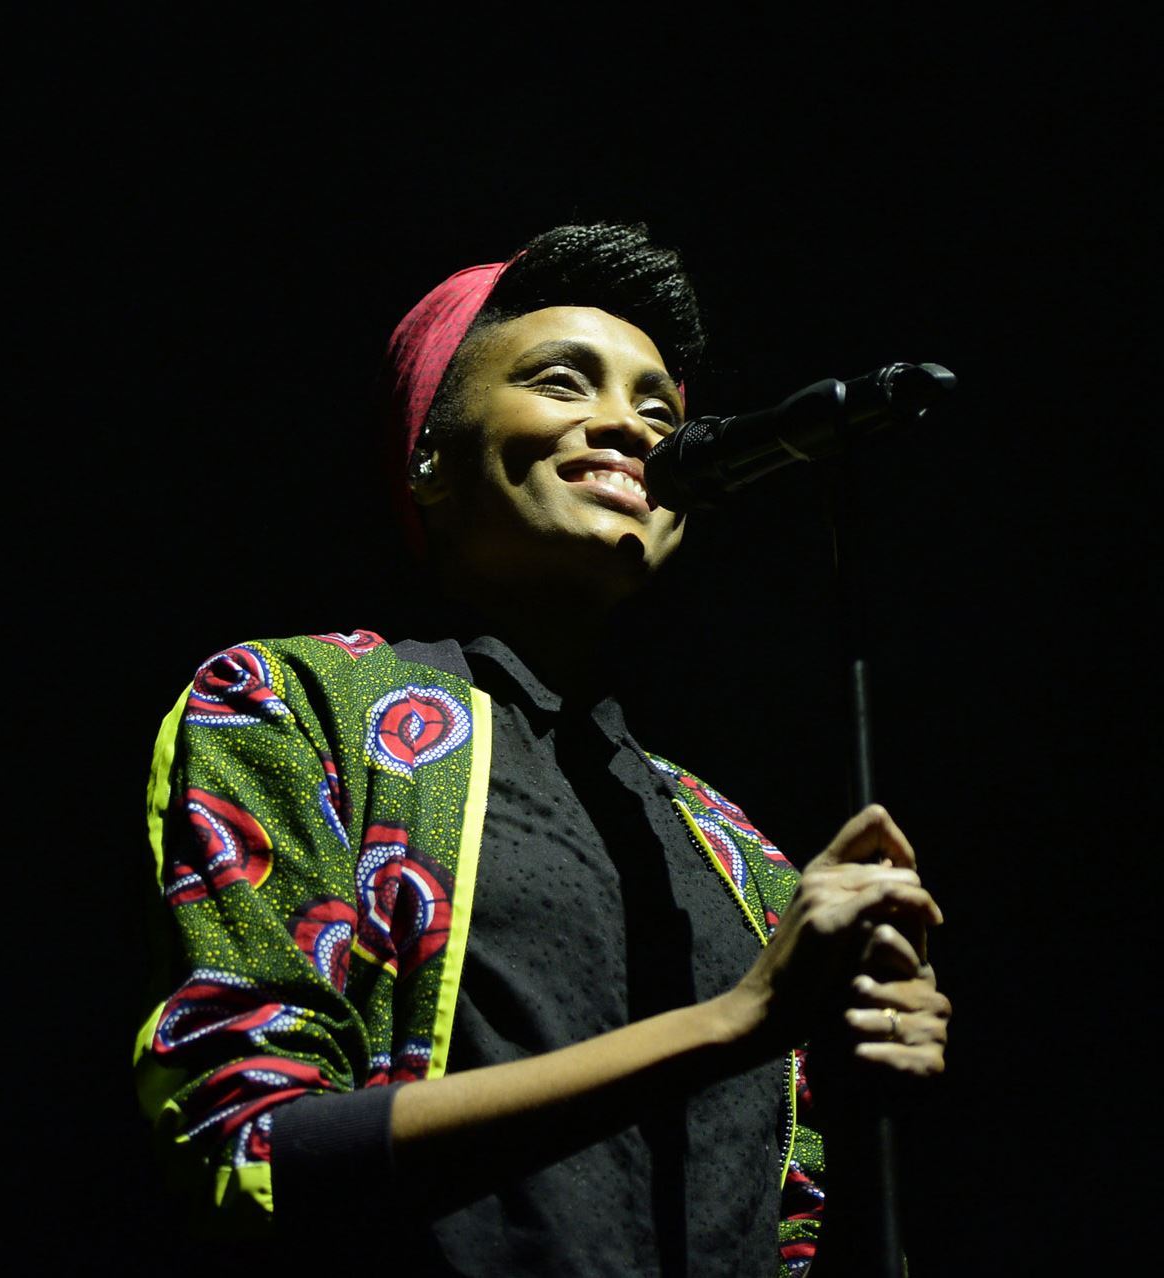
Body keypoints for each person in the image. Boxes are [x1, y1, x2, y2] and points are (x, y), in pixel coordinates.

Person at [133, 222, 951, 1276]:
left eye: (659, 413)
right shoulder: (295, 703)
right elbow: (248, 1150)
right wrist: (735, 1021)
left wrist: (856, 1074)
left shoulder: (738, 854)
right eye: (563, 383)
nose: (627, 428)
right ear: (427, 455)